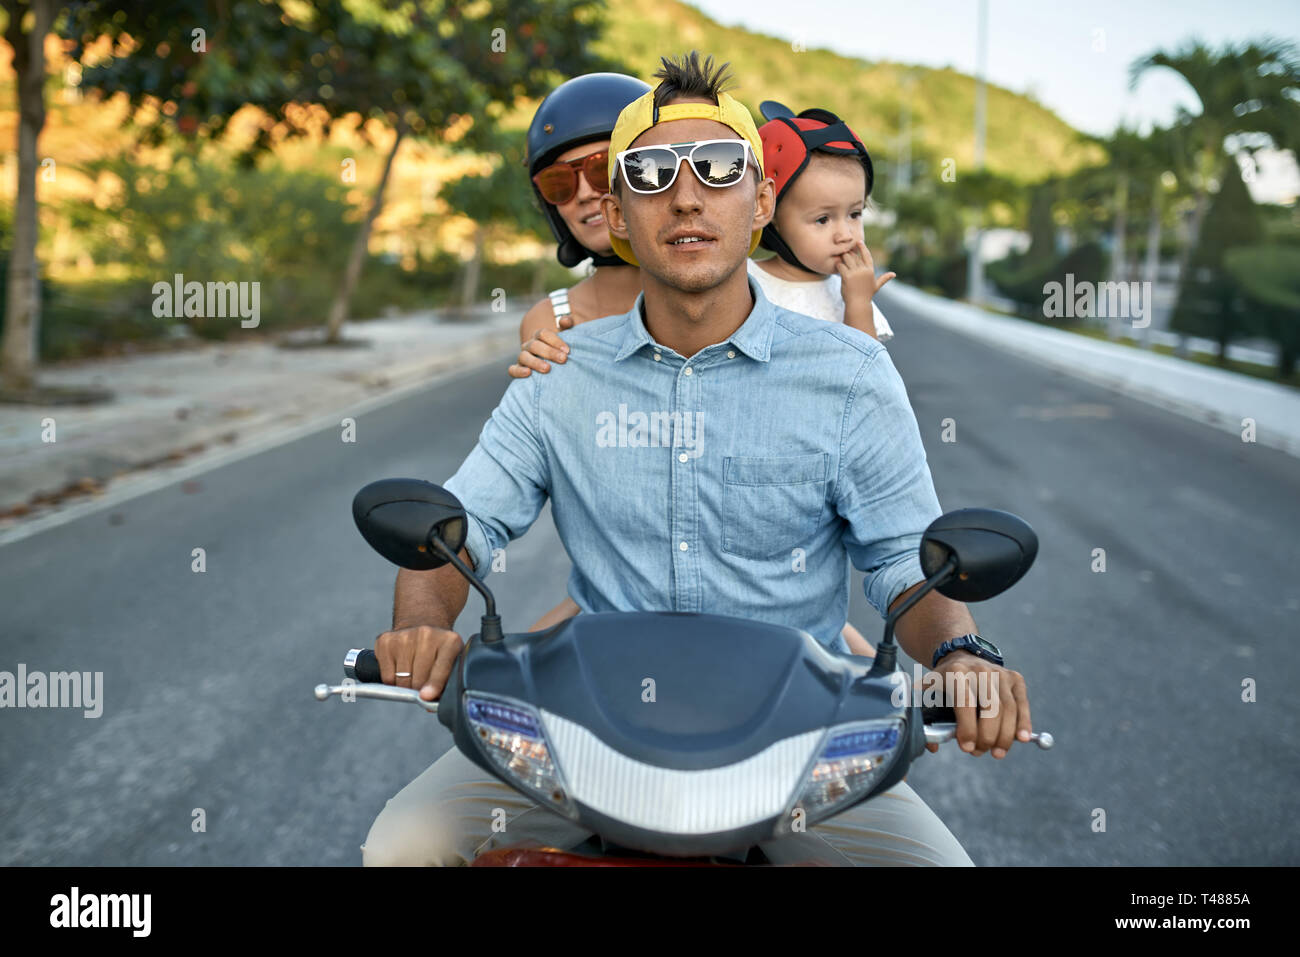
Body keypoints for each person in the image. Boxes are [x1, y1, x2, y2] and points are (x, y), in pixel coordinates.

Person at [361, 51, 1035, 867]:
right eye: (649, 173)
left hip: (806, 741)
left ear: (760, 200)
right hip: (582, 731)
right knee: (405, 844)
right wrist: (420, 629)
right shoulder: (558, 375)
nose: (685, 195)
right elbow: (458, 526)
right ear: (616, 212)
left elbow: (904, 555)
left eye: (717, 169)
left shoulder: (852, 375)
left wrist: (966, 656)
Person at [512, 86, 884, 655]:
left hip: (759, 597)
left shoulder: (719, 275)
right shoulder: (555, 322)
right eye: (560, 184)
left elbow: (832, 380)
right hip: (629, 580)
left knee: (857, 667)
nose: (585, 193)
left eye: (599, 168)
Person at [748, 103, 896, 342]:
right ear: (769, 213)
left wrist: (859, 303)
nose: (845, 235)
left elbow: (867, 373)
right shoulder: (744, 286)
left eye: (855, 214)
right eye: (823, 219)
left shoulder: (851, 297)